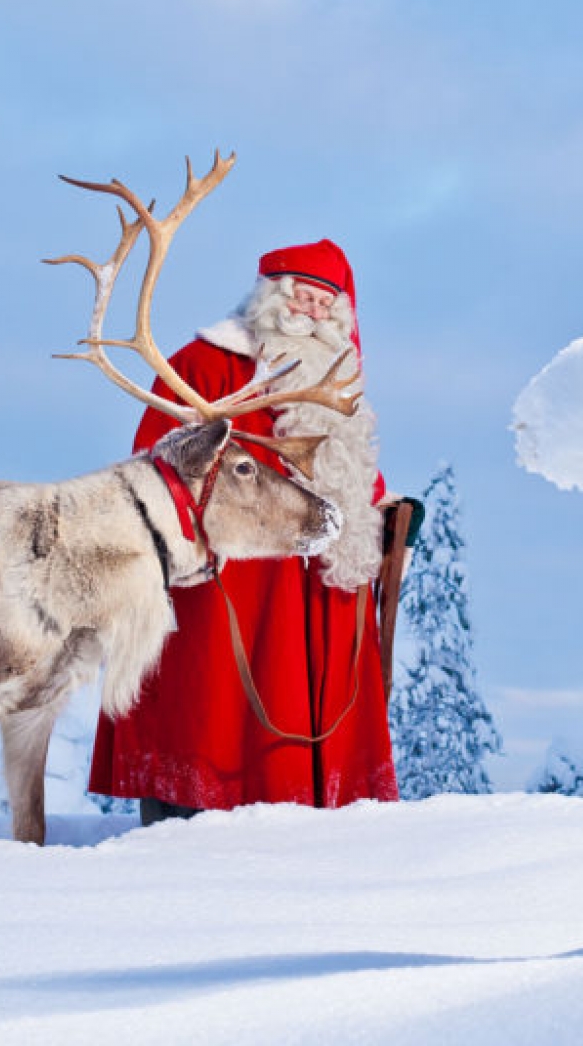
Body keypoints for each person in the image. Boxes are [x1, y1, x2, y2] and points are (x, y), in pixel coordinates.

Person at [89, 238, 400, 822]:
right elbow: (156, 462)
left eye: (323, 306)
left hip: (323, 575)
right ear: (270, 297)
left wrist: (381, 507)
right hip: (240, 576)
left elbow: (352, 466)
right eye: (300, 299)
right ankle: (195, 816)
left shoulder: (338, 378)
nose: (310, 314)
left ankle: (318, 815)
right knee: (214, 704)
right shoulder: (206, 365)